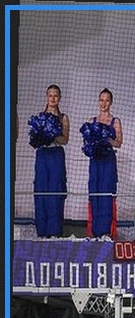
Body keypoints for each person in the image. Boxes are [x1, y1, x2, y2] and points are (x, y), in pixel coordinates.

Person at [83, 88, 122, 239]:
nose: (103, 103)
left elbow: (119, 142)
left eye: (106, 100)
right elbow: (86, 142)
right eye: (101, 100)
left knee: (106, 193)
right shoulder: (91, 121)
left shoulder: (115, 121)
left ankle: (106, 232)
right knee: (94, 192)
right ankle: (93, 232)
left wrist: (106, 138)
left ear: (111, 102)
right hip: (95, 160)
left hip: (108, 160)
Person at [32, 84, 69, 237]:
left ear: (59, 98)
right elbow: (34, 139)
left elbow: (65, 140)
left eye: (55, 95)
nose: (53, 98)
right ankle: (41, 231)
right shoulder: (39, 117)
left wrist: (52, 133)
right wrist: (41, 135)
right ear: (47, 97)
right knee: (41, 189)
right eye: (50, 95)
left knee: (56, 190)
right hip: (42, 155)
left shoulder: (63, 118)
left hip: (56, 155)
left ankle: (54, 231)